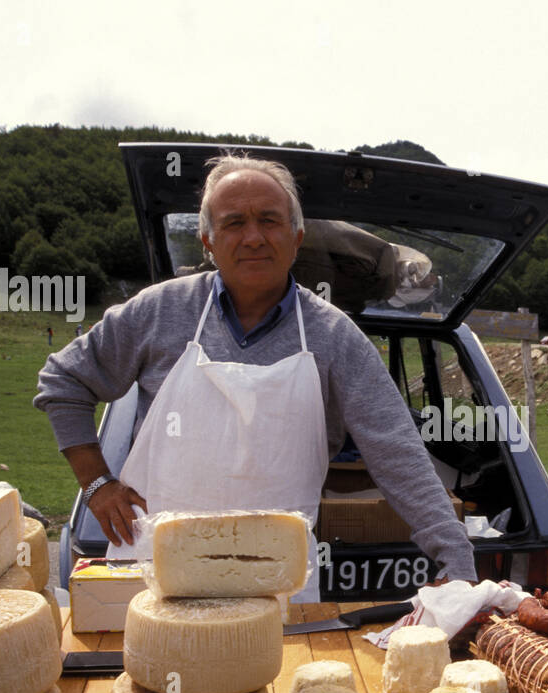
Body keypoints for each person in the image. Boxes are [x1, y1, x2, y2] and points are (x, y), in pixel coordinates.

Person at [34, 155, 476, 600]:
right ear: (207, 240)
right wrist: (97, 484)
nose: (253, 237)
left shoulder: (335, 336)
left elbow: (397, 450)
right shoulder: (159, 310)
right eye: (233, 223)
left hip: (277, 584)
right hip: (155, 575)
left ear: (296, 236)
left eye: (269, 220)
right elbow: (63, 381)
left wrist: (456, 562)